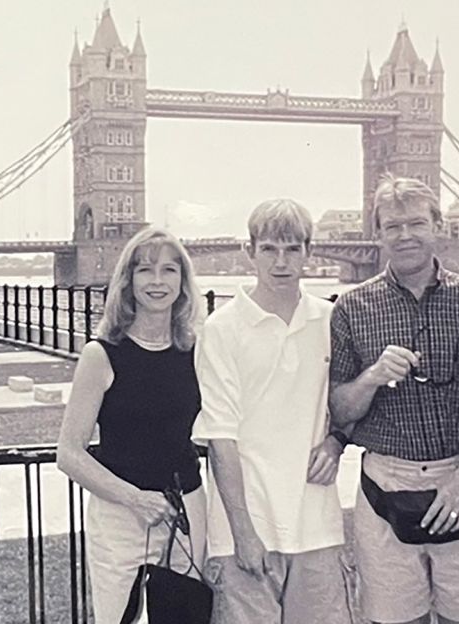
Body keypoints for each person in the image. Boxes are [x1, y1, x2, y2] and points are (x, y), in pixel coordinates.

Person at [329, 174, 459, 624]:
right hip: (385, 487)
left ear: (437, 226)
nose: (405, 235)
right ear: (378, 233)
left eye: (416, 223)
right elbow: (340, 410)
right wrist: (372, 376)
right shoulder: (351, 308)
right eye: (393, 226)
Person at [192, 198, 352, 624]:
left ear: (309, 252)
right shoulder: (221, 329)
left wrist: (337, 442)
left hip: (316, 521)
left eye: (292, 249)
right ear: (250, 252)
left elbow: (345, 404)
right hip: (246, 530)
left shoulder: (331, 319)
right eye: (269, 249)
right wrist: (243, 532)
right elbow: (220, 438)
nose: (281, 262)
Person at [56, 226, 206, 622]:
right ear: (128, 280)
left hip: (187, 512)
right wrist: (136, 498)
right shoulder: (101, 355)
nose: (157, 281)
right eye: (145, 270)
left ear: (183, 282)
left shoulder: (198, 352)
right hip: (121, 516)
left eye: (169, 270)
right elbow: (68, 454)